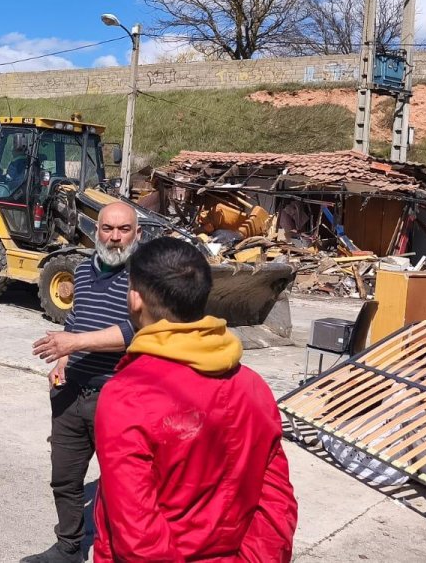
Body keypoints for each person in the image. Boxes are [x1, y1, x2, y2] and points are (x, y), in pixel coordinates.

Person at [92, 238, 297, 562]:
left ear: (134, 299)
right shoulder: (253, 387)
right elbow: (276, 504)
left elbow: (140, 540)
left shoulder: (126, 397)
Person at [23, 202, 140, 563]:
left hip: (115, 392)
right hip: (71, 390)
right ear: (96, 230)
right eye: (108, 228)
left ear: (137, 233)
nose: (115, 237)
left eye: (123, 230)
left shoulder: (144, 275)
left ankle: (118, 552)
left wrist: (73, 344)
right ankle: (69, 547)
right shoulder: (84, 269)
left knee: (122, 486)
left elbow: (138, 331)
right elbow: (76, 320)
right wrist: (62, 358)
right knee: (65, 477)